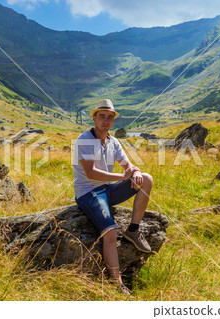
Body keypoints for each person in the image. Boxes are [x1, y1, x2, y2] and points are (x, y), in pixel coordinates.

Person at [73, 99, 153, 294]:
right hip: (89, 193)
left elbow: (127, 165)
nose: (106, 121)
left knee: (146, 179)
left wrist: (134, 171)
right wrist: (121, 176)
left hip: (107, 190)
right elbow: (91, 173)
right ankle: (117, 283)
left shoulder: (113, 141)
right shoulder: (84, 140)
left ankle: (133, 230)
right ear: (94, 118)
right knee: (110, 233)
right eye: (102, 117)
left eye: (110, 117)